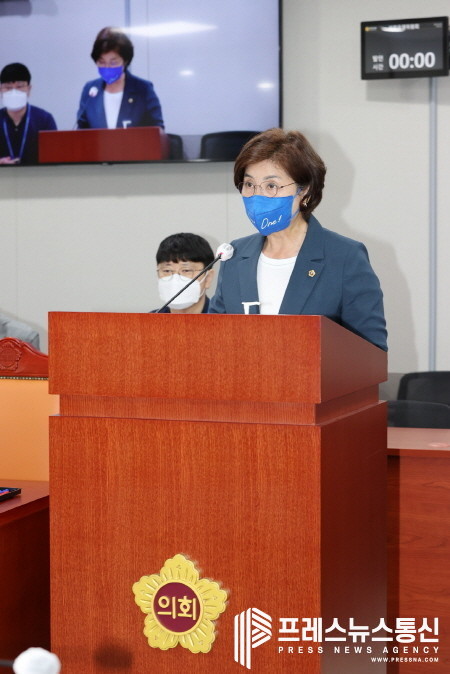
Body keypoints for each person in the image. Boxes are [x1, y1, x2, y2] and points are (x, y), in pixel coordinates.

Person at [209, 128, 387, 351]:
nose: (257, 196)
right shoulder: (234, 255)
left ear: (305, 192)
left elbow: (370, 354)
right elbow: (212, 341)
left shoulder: (345, 258)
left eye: (271, 186)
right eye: (249, 184)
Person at [77, 27, 164, 130]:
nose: (107, 67)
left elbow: (157, 130)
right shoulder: (90, 90)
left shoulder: (143, 89)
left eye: (113, 62)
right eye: (102, 62)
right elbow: (81, 130)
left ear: (125, 61)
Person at [0, 63, 57, 165]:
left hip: (37, 174)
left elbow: (54, 156)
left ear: (29, 89)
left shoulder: (44, 119)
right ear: (1, 90)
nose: (14, 92)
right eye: (8, 88)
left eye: (19, 86)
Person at [152, 233, 215, 313]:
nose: (175, 279)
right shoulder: (146, 320)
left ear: (208, 278)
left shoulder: (225, 319)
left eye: (186, 270)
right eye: (167, 270)